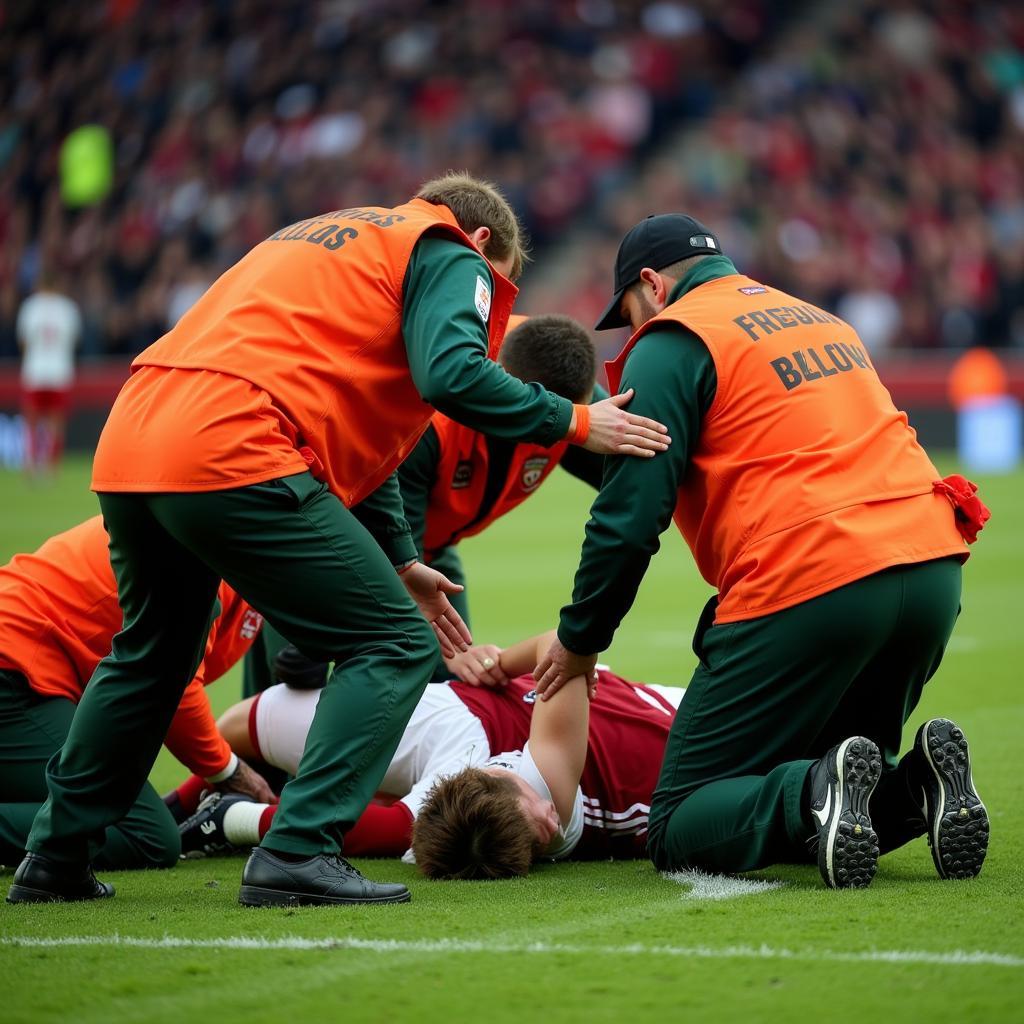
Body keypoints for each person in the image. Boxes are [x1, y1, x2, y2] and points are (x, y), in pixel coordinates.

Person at [8, 173, 670, 908]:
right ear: (482, 244)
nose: (493, 311)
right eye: (500, 290)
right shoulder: (448, 249)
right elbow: (451, 371)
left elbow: (375, 436)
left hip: (134, 440)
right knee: (395, 644)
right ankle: (297, 848)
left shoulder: (338, 233)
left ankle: (54, 857)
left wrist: (402, 558)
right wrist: (578, 422)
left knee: (152, 654)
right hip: (237, 443)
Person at [533, 214, 991, 889]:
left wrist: (581, 639)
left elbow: (631, 514)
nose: (630, 331)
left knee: (683, 821)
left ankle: (817, 791)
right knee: (840, 776)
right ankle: (917, 786)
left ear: (653, 286)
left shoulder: (674, 338)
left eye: (627, 314)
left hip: (814, 577)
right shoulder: (819, 319)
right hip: (930, 567)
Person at [241, 313, 607, 695]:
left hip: (427, 547)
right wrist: (445, 651)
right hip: (325, 542)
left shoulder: (558, 372)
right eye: (547, 425)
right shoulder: (431, 423)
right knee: (297, 680)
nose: (554, 438)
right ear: (515, 395)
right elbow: (398, 554)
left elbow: (630, 471)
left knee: (444, 687)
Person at [174, 633, 682, 876]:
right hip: (462, 711)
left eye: (538, 824)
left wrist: (491, 662)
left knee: (246, 728)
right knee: (241, 728)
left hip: (453, 713)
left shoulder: (502, 804)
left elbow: (566, 644)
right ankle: (189, 808)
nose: (549, 820)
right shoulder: (548, 792)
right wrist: (494, 662)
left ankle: (216, 813)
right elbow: (564, 643)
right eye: (546, 823)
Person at [0, 516, 272, 870]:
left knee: (125, 814)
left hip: (24, 670)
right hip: (16, 674)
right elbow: (176, 682)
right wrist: (228, 769)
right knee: (145, 835)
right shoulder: (210, 540)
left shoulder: (220, 528)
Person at [17, 273, 81, 476]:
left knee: (32, 421)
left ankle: (31, 464)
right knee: (56, 421)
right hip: (59, 371)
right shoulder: (68, 308)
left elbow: (24, 342)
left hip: (35, 371)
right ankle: (52, 467)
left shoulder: (30, 306)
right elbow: (74, 340)